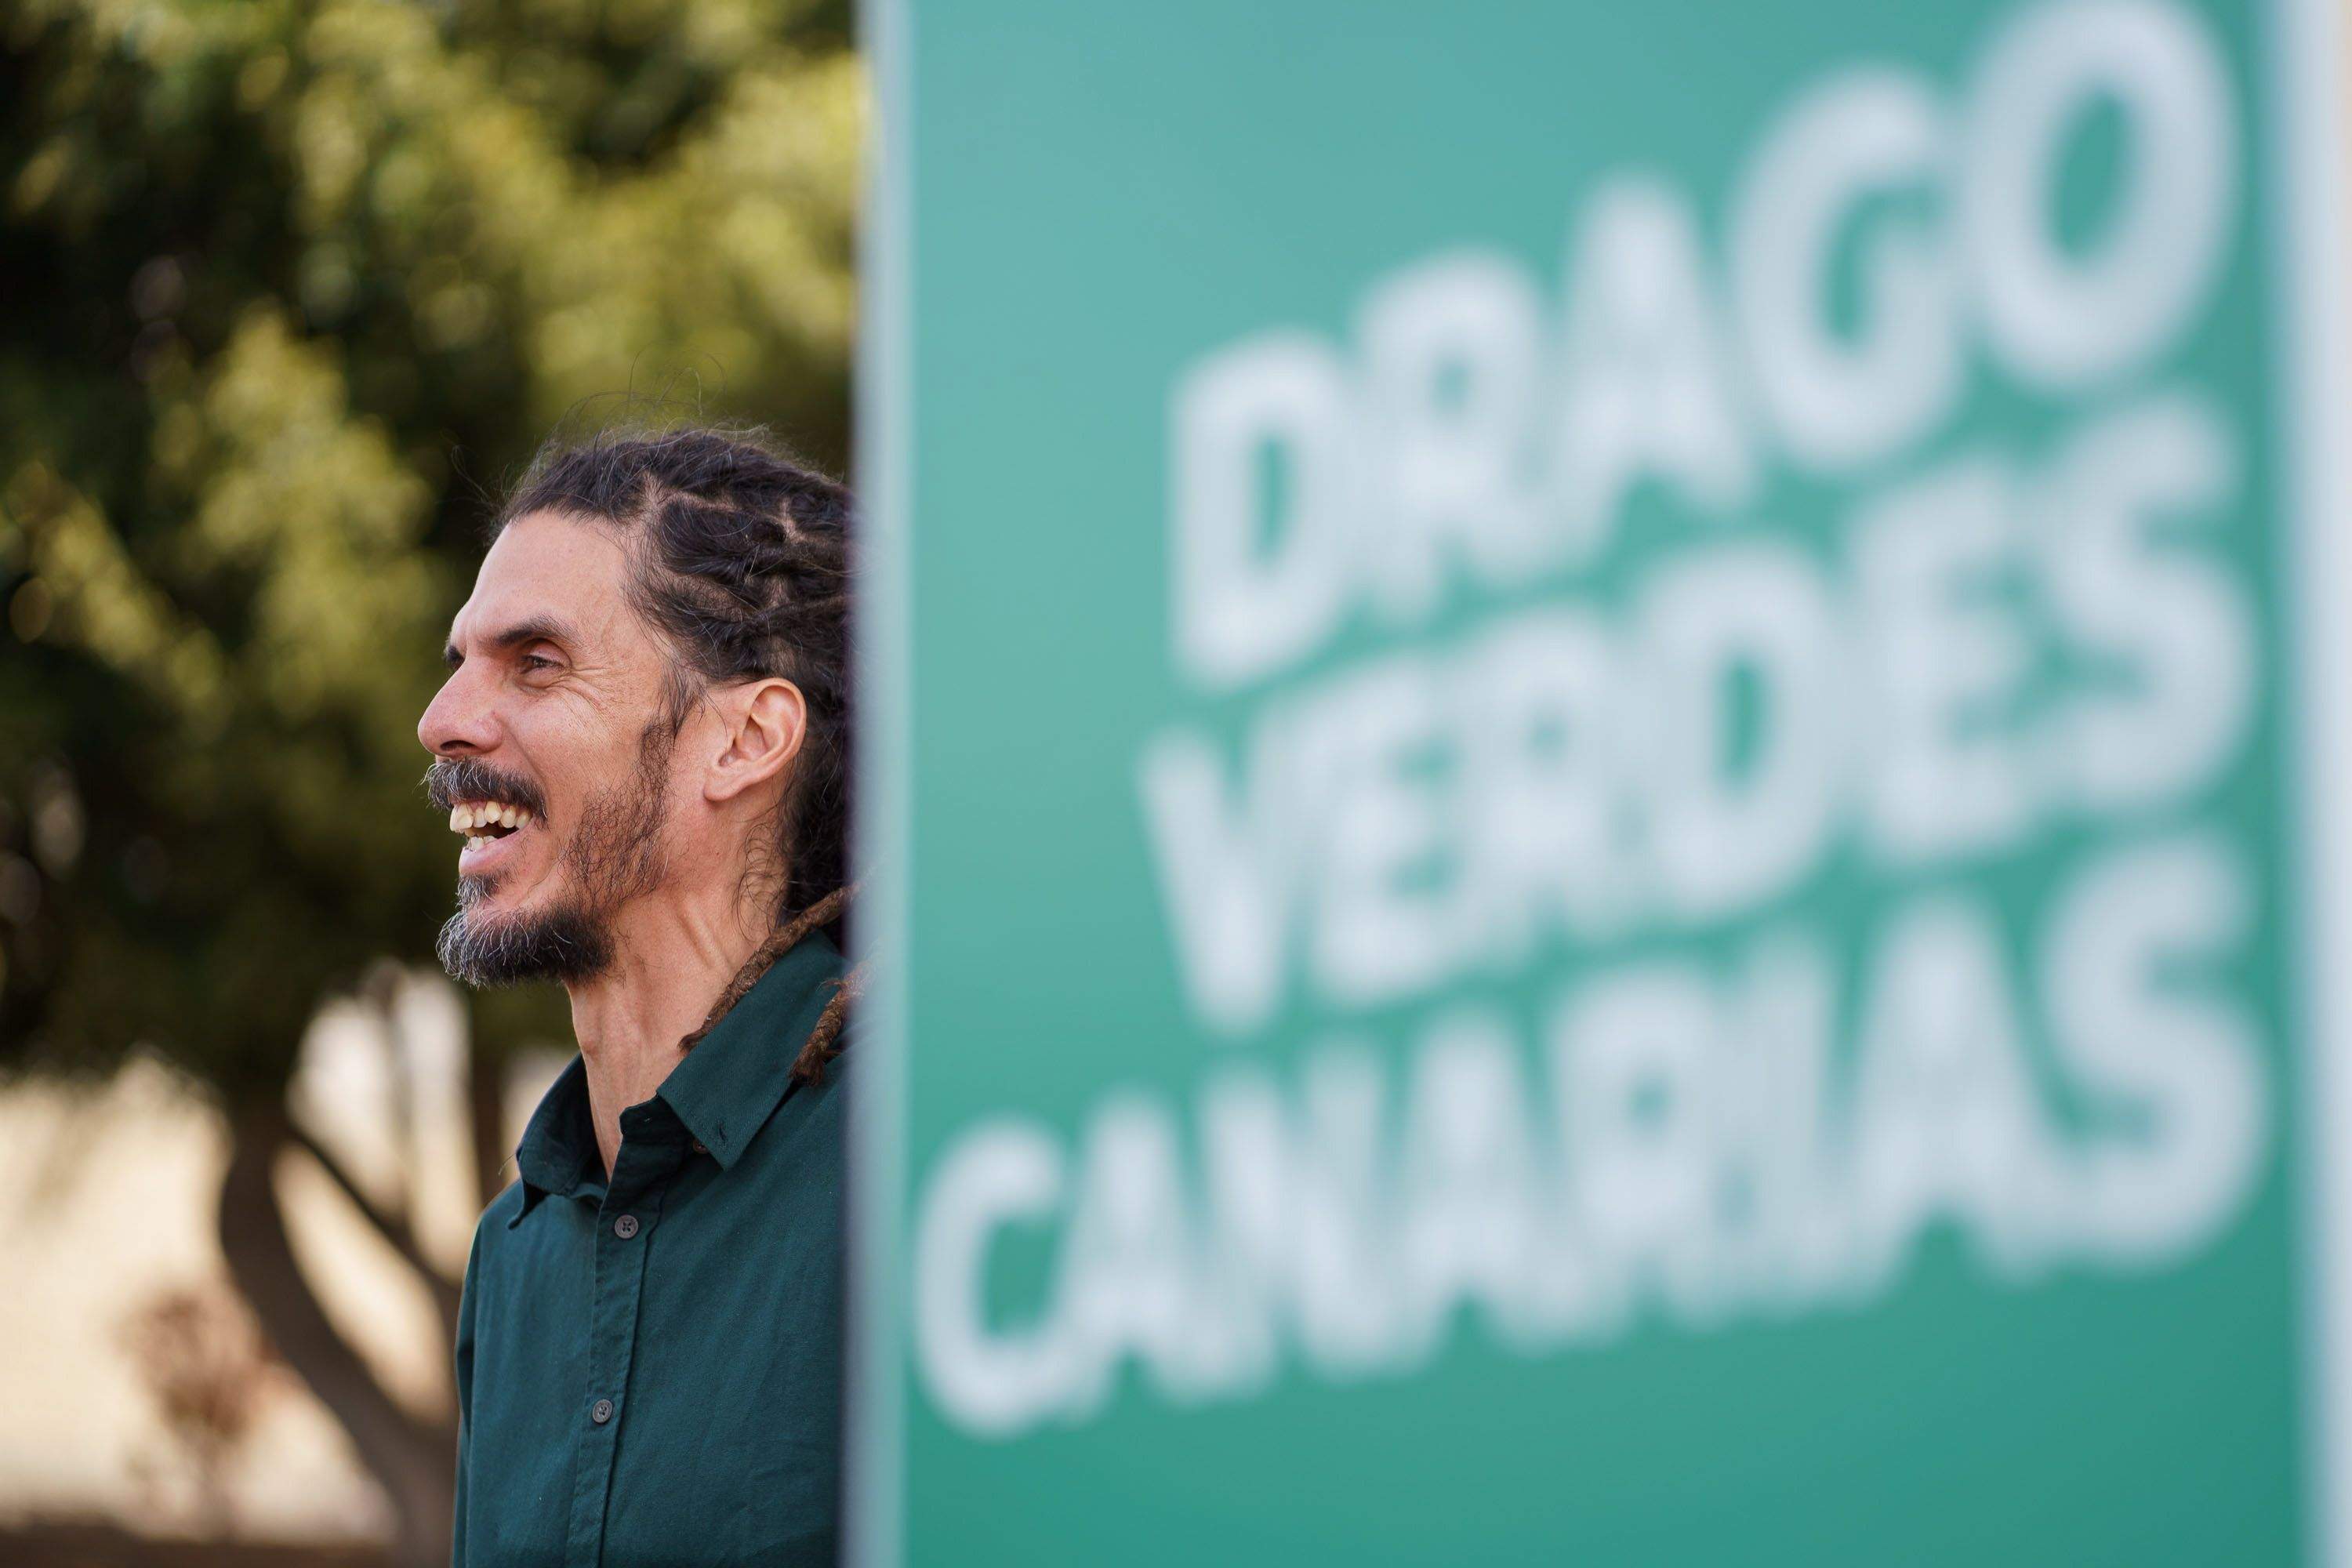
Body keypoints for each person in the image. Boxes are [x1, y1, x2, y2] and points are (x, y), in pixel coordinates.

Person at [420, 426, 858, 1565]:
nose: (443, 720)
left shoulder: (920, 1151)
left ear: (744, 740)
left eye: (537, 663)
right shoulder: (511, 1257)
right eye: (459, 659)